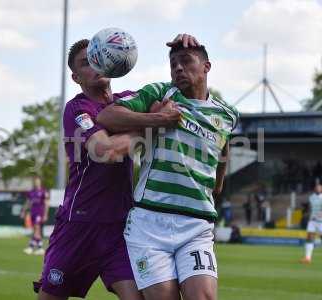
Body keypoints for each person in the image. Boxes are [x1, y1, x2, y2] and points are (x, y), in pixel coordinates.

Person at [35, 35, 200, 300]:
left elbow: (183, 85)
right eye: (85, 63)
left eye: (98, 57)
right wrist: (154, 122)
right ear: (76, 77)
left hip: (121, 227)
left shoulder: (128, 101)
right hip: (79, 223)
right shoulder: (77, 108)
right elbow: (106, 151)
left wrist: (187, 45)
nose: (95, 64)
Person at [97, 39, 239, 300]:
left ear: (206, 66)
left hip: (196, 224)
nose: (178, 68)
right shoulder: (161, 94)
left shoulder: (227, 114)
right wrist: (158, 119)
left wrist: (217, 183)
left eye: (186, 61)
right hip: (150, 224)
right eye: (173, 64)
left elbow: (224, 146)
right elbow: (107, 116)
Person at [21, 176, 50, 255]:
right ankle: (38, 248)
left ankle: (33, 247)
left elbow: (46, 203)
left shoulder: (43, 191)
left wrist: (45, 214)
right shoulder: (31, 192)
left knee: (37, 229)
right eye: (35, 181)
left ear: (40, 182)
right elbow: (28, 202)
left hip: (39, 213)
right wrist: (23, 211)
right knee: (35, 230)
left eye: (38, 181)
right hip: (32, 213)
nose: (36, 183)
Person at [301, 183, 322, 264]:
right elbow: (310, 207)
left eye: (320, 188)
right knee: (309, 238)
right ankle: (307, 258)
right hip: (312, 221)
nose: (318, 189)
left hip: (321, 221)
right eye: (317, 187)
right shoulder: (312, 197)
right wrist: (306, 210)